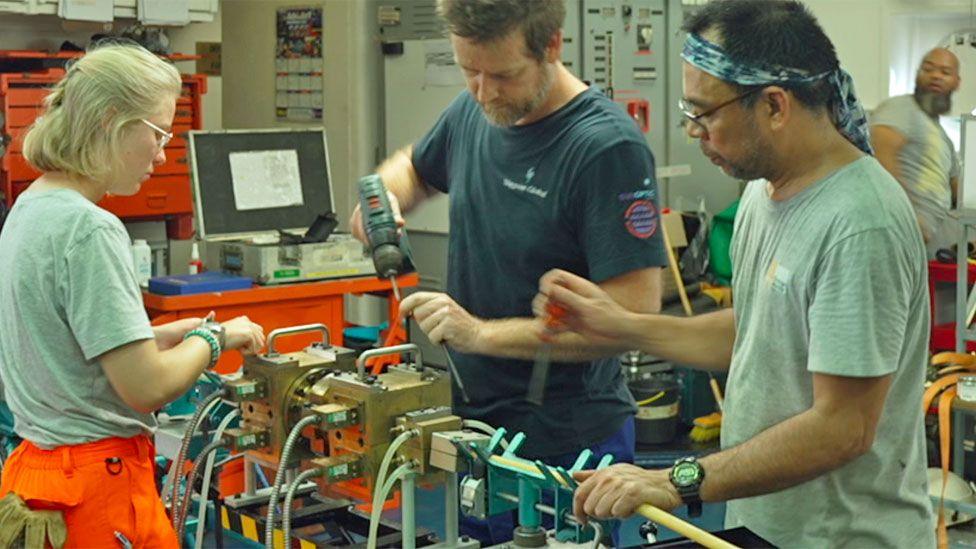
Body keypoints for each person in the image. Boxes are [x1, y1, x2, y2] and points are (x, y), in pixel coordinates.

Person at [533, 1, 934, 547]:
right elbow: (755, 333)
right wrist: (620, 324)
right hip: (763, 525)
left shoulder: (859, 223)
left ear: (774, 105)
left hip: (840, 536)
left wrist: (677, 481)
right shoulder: (761, 195)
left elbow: (843, 428)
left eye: (704, 113)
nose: (692, 130)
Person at [349, 0, 666, 543]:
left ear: (552, 47)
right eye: (468, 70)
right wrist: (389, 198)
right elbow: (413, 167)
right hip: (477, 431)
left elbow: (634, 312)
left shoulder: (604, 148)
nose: (483, 91)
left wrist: (478, 334)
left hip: (568, 443)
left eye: (502, 75)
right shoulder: (476, 109)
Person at [0, 43, 266, 546]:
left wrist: (160, 334)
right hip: (96, 490)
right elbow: (146, 386)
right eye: (158, 134)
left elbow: (63, 342)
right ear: (109, 121)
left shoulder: (31, 207)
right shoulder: (89, 229)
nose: (162, 154)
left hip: (36, 476)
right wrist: (216, 337)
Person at [872, 47, 961, 258]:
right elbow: (881, 162)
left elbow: (962, 192)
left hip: (927, 245)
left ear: (957, 82)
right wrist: (910, 218)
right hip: (898, 236)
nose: (936, 76)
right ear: (918, 74)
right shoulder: (899, 108)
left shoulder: (943, 138)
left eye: (945, 72)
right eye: (928, 69)